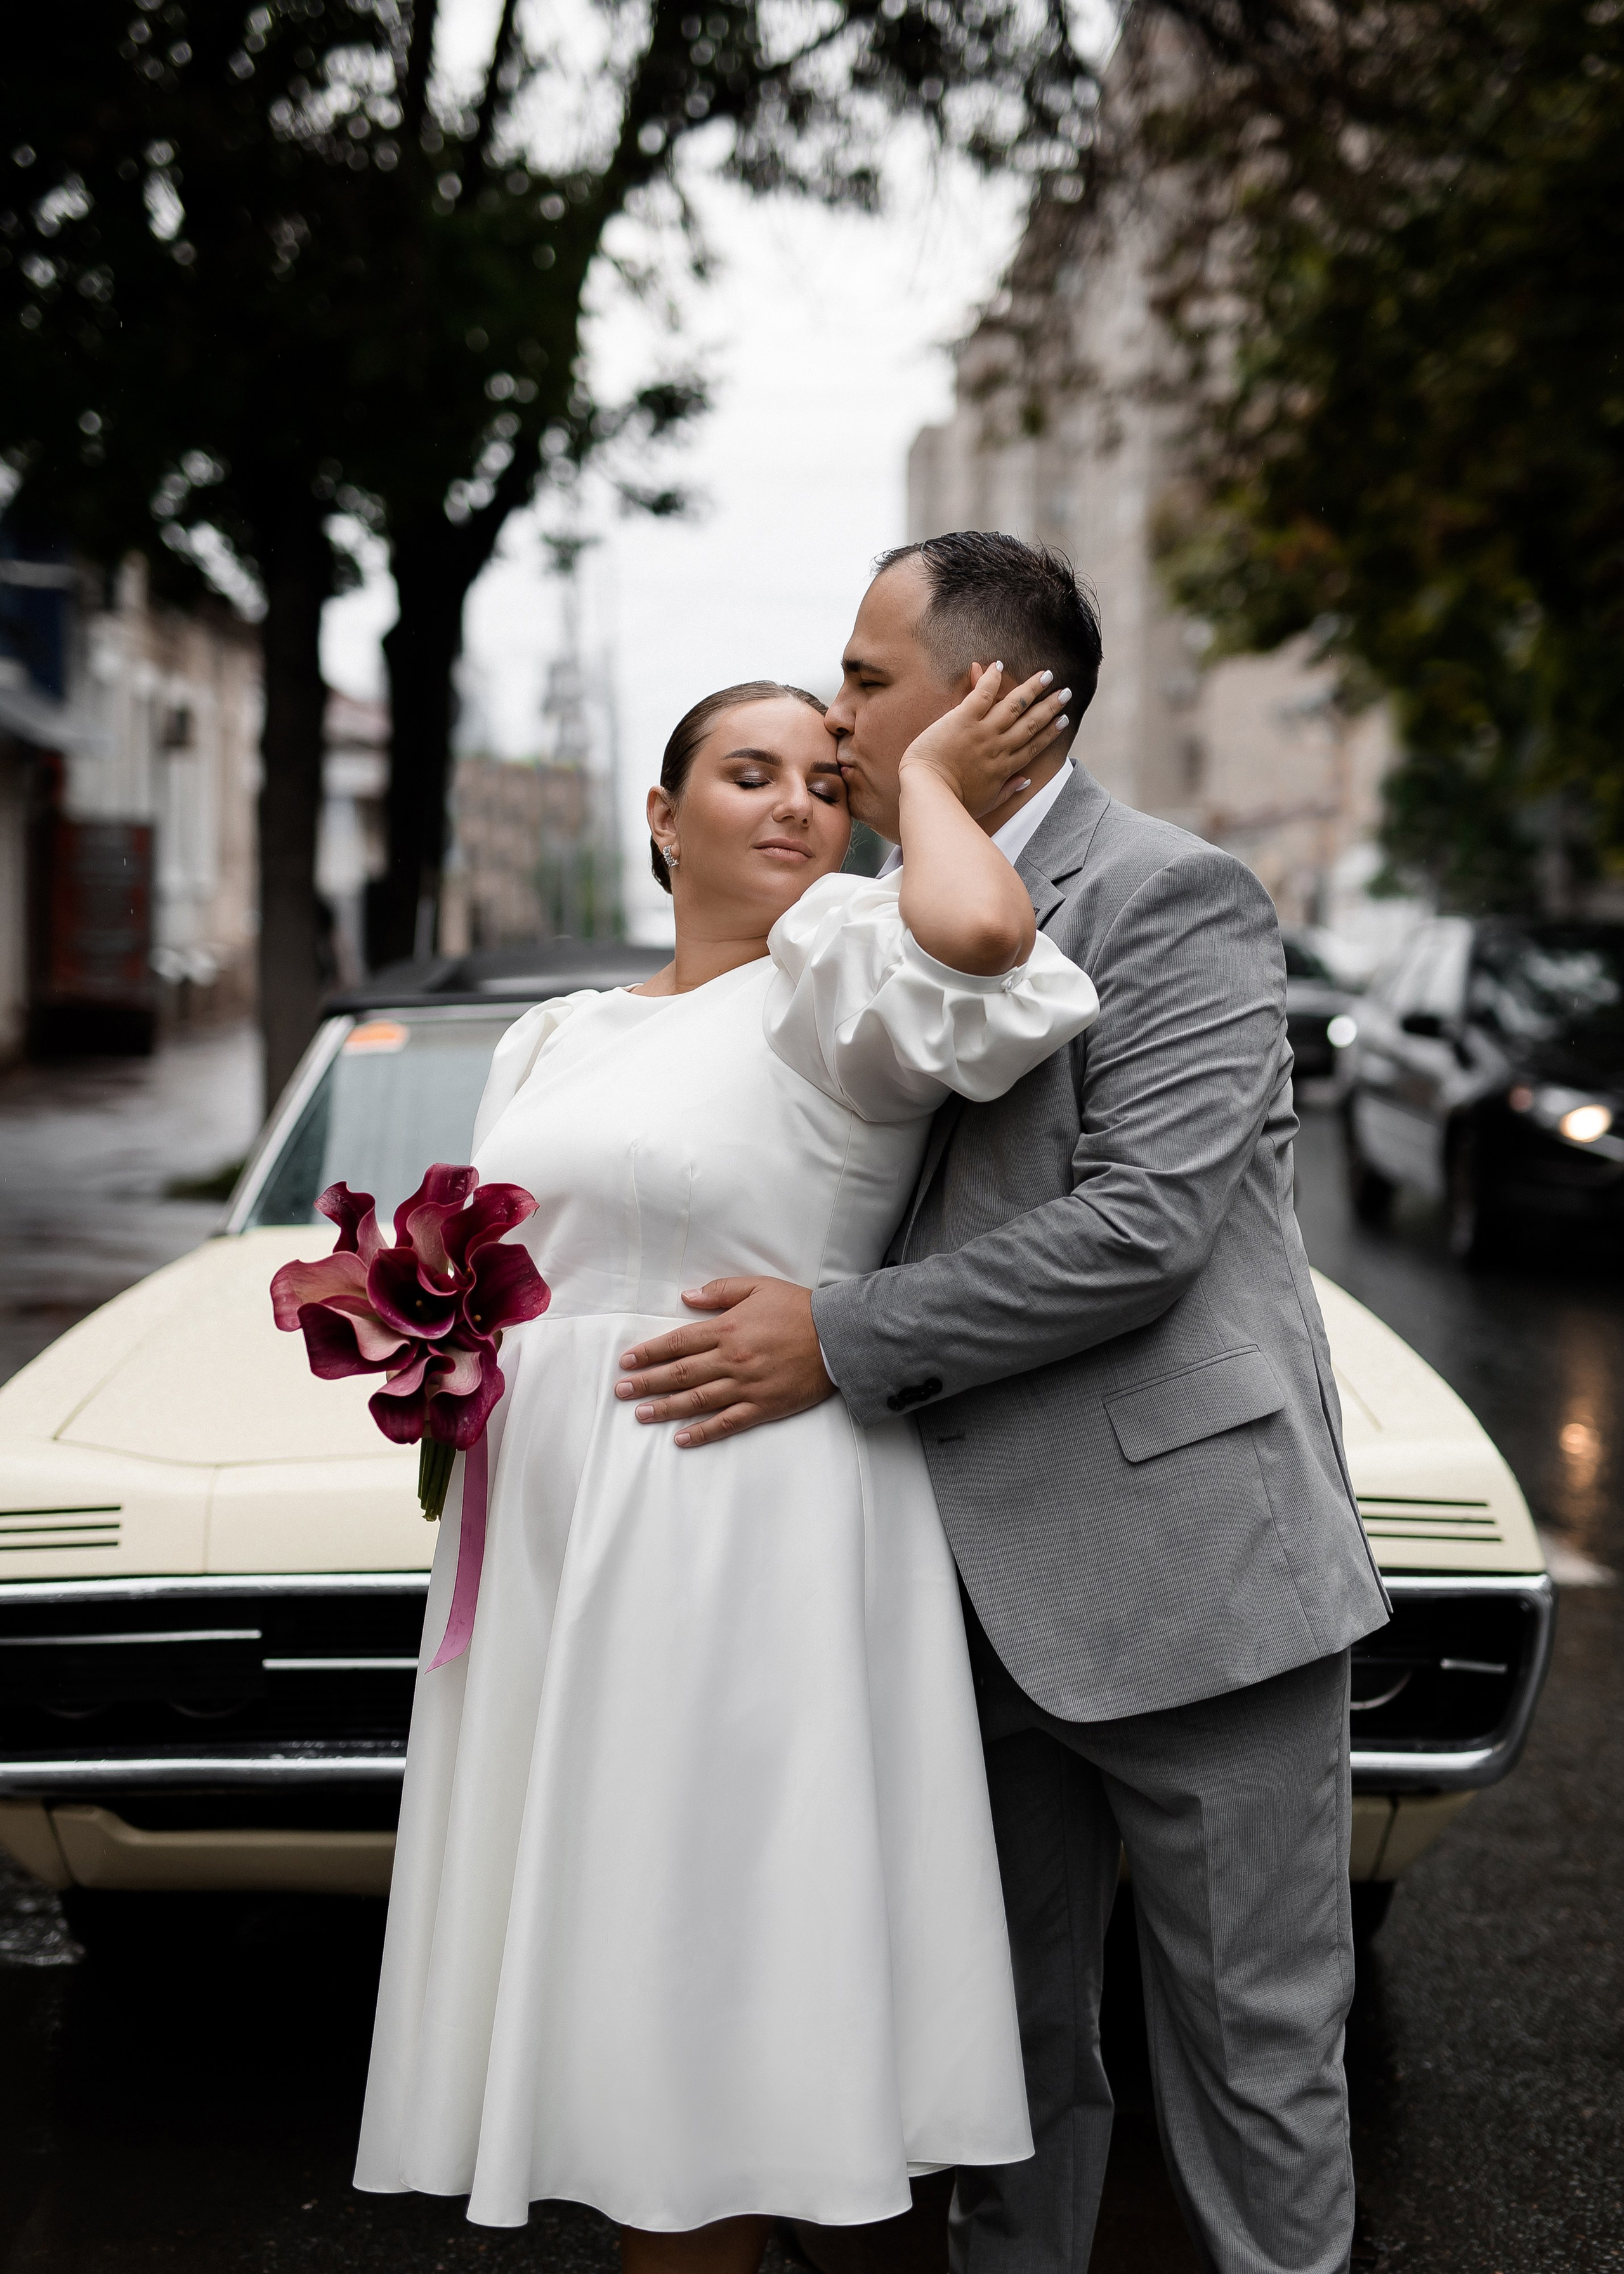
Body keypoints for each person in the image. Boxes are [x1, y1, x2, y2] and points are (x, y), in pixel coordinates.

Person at [614, 533, 1393, 2274]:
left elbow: (1144, 1229)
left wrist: (840, 1335)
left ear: (985, 703)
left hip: (1196, 1583)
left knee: (1259, 2065)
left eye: (867, 682)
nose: (834, 715)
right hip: (943, 1599)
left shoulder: (1175, 893)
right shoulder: (855, 925)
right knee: (1003, 2079)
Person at [353, 668, 1101, 2271]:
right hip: (557, 1541)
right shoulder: (557, 1033)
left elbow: (983, 941)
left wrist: (936, 796)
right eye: (747, 773)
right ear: (658, 813)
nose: (792, 803)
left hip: (738, 1520)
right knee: (615, 1961)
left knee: (720, 1968)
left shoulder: (834, 968)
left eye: (824, 783)